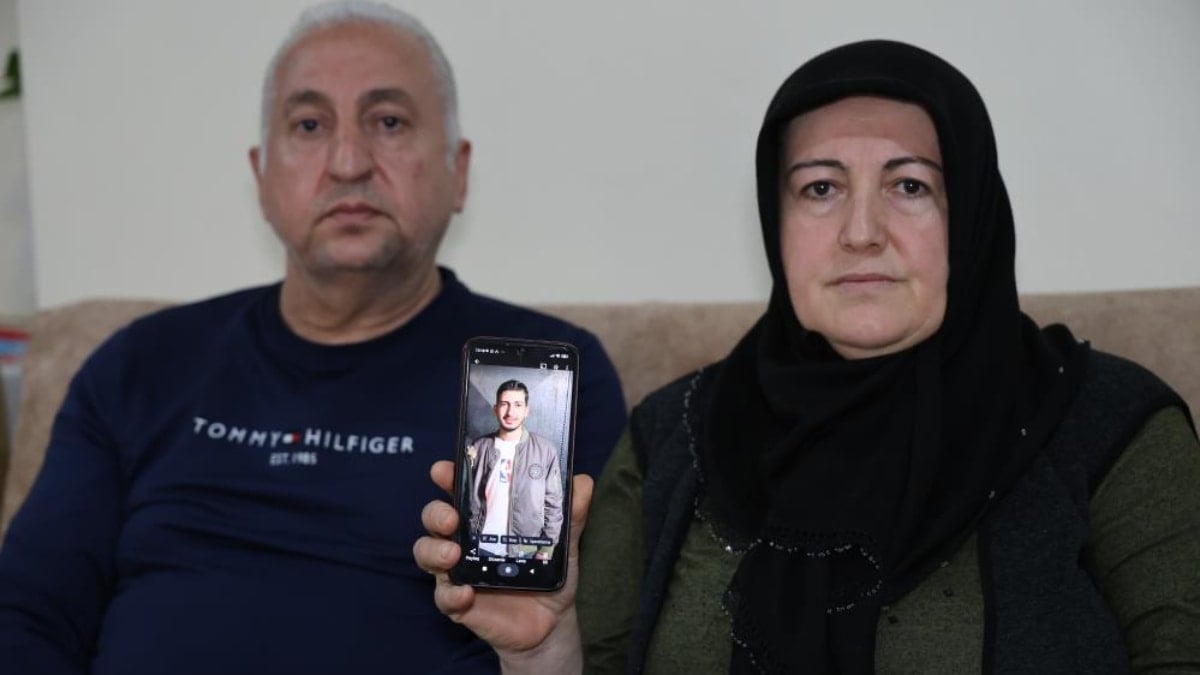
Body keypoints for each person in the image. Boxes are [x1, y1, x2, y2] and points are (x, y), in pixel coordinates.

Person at [415, 40, 1200, 673]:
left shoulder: (1111, 429)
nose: (861, 231)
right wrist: (540, 653)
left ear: (971, 214)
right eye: (820, 189)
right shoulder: (671, 438)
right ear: (775, 218)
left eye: (910, 186)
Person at [0, 2, 626, 674]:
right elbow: (27, 616)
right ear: (261, 175)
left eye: (389, 122)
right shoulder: (139, 364)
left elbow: (591, 641)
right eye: (308, 125)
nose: (348, 162)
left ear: (459, 171)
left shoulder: (545, 378)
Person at [468, 380, 563, 560]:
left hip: (526, 550)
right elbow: (466, 497)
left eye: (518, 405)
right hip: (481, 546)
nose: (510, 412)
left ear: (527, 410)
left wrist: (546, 548)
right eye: (504, 404)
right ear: (495, 409)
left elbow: (554, 504)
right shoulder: (478, 447)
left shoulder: (545, 451)